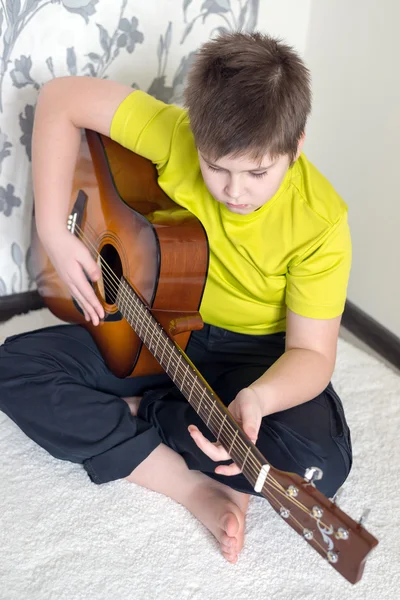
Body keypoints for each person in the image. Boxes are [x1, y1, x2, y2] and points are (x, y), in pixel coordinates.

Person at [0, 32, 352, 564]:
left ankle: (153, 411)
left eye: (257, 172)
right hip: (153, 326)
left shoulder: (321, 222)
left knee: (317, 463)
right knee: (15, 369)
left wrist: (258, 400)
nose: (235, 191)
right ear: (196, 132)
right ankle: (188, 484)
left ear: (295, 145)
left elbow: (313, 356)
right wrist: (53, 227)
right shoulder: (175, 133)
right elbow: (61, 98)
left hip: (252, 358)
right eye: (217, 168)